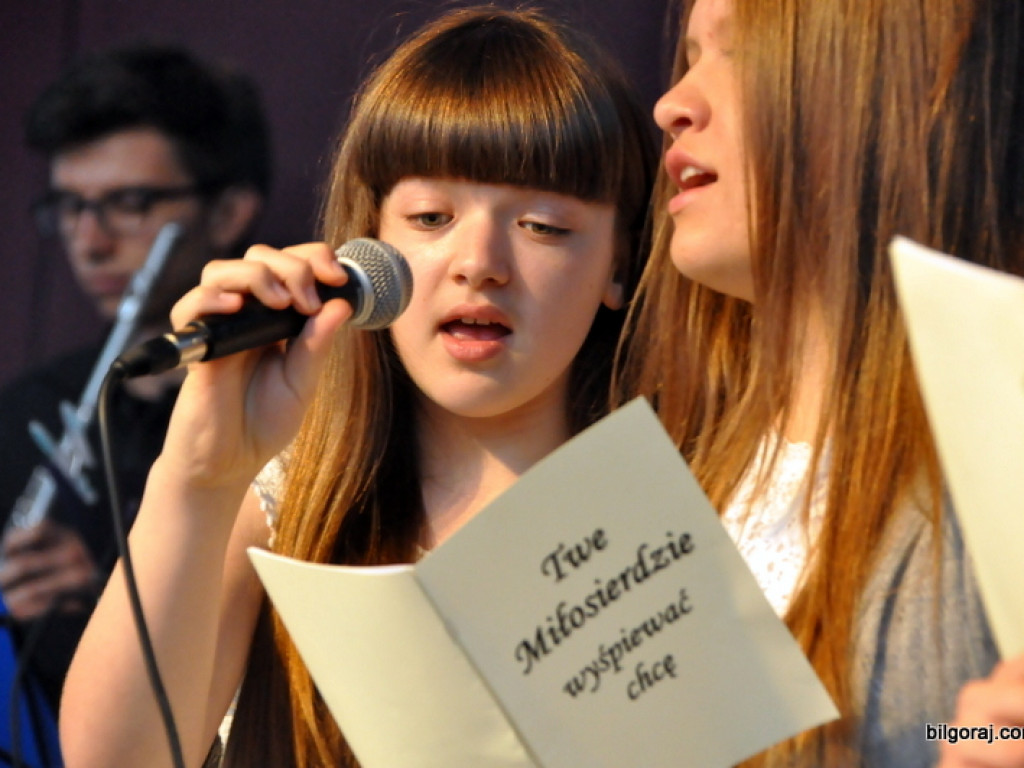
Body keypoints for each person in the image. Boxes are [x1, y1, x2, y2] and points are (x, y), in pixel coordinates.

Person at [59, 7, 655, 768]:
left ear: (617, 262)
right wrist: (202, 477)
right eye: (431, 216)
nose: (478, 261)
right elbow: (113, 760)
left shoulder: (678, 502)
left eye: (542, 225)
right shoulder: (290, 503)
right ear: (370, 245)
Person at [614, 0, 1021, 765]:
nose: (672, 104)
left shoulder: (1000, 443)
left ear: (903, 85)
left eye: (738, 55)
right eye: (691, 53)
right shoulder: (673, 472)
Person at [0, 43, 270, 726]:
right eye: (70, 206)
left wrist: (102, 596)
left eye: (128, 202)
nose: (89, 241)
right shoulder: (28, 411)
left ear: (230, 210)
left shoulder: (284, 406)